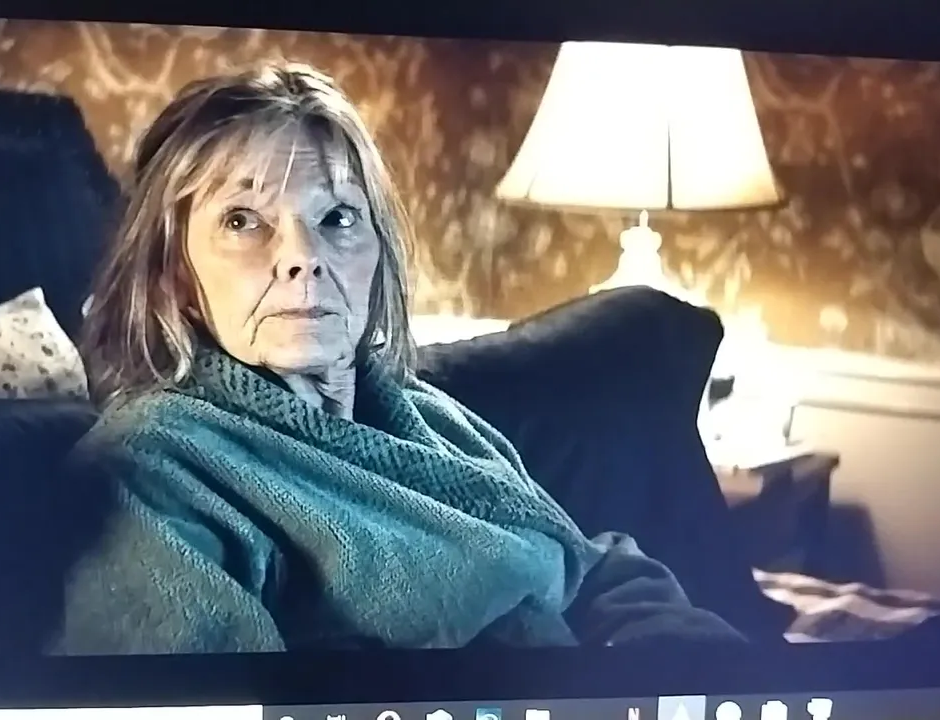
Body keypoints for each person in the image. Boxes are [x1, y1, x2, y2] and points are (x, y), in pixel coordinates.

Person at [57, 62, 744, 654]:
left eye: (337, 218)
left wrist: (694, 672)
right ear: (174, 273)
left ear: (377, 253)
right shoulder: (152, 470)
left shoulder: (425, 414)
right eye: (243, 221)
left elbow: (586, 568)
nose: (303, 257)